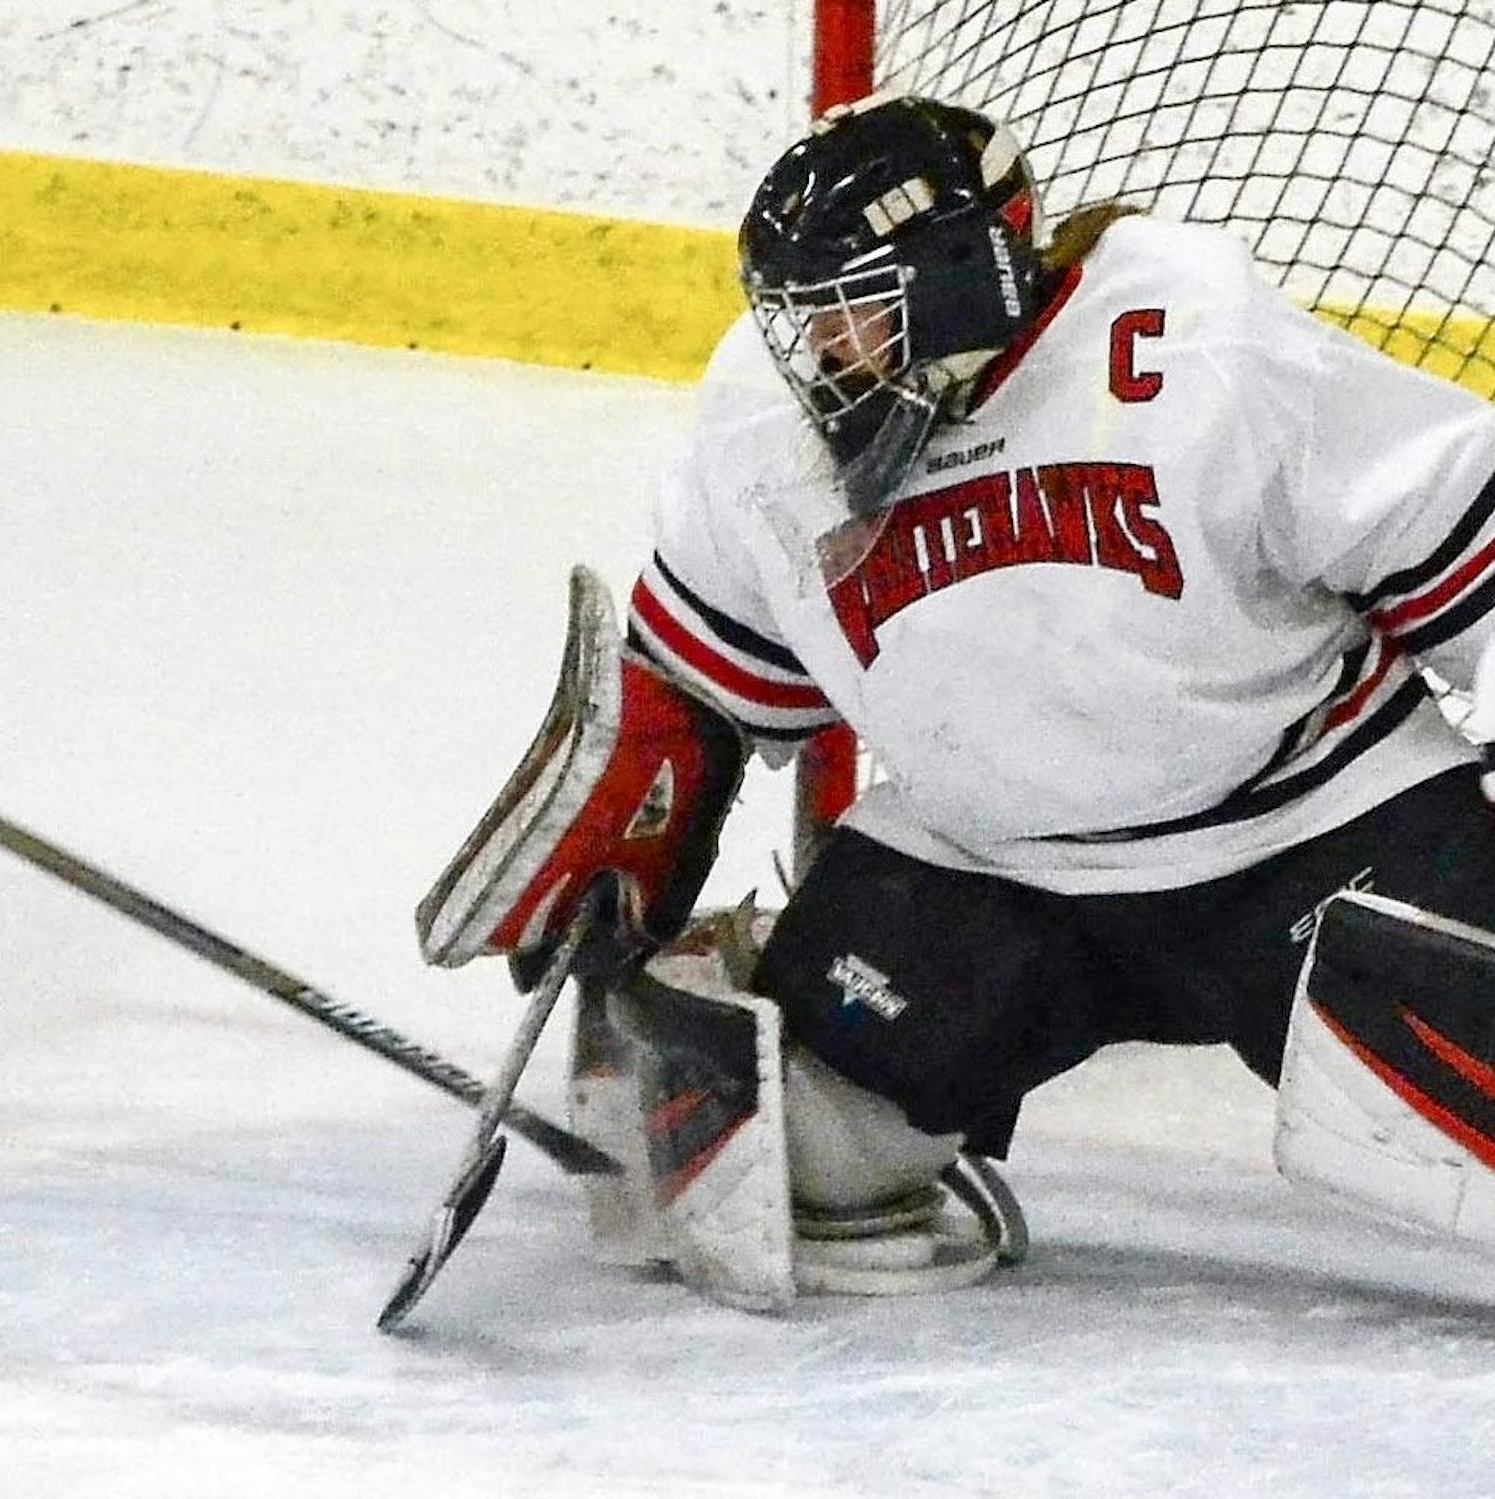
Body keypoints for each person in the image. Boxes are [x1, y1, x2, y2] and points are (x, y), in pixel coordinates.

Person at [418, 92, 1495, 1305]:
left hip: (1313, 830)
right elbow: (700, 675)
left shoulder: (1199, 343)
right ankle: (792, 1010)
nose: (820, 357)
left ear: (958, 281)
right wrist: (640, 793)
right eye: (801, 324)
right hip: (988, 872)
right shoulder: (767, 433)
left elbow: (1466, 527)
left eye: (853, 316)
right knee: (769, 1164)